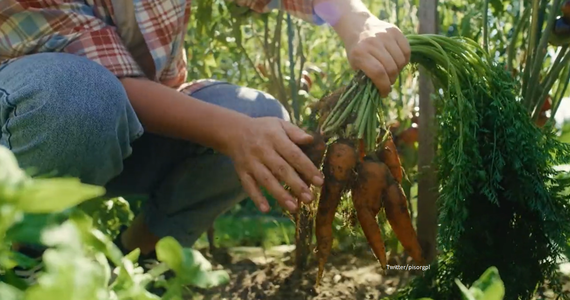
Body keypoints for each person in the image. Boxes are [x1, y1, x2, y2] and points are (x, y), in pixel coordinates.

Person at [0, 0, 410, 288]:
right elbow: (107, 80)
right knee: (82, 95)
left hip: (133, 123)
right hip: (33, 128)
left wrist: (355, 19)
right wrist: (233, 133)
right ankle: (27, 258)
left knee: (257, 115)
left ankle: (139, 260)